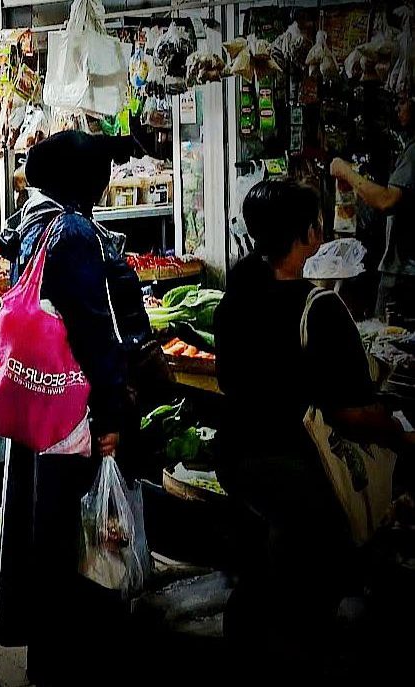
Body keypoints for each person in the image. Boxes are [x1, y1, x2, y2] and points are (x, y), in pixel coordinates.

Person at [215, 178, 415, 683]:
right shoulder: (319, 309)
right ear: (309, 234)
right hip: (295, 466)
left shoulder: (236, 296)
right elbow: (351, 413)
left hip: (237, 455)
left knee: (269, 573)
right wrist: (398, 432)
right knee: (305, 584)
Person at [0, 131, 149, 686]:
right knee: (79, 530)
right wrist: (110, 412)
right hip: (73, 406)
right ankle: (79, 660)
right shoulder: (75, 232)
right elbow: (93, 330)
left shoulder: (32, 224)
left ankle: (48, 656)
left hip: (40, 403)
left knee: (46, 523)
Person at [330, 96, 415, 320]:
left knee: (386, 335)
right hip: (401, 266)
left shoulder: (412, 152)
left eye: (403, 102)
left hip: (404, 270)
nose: (397, 108)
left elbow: (386, 200)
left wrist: (346, 172)